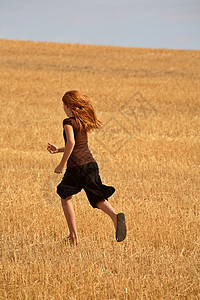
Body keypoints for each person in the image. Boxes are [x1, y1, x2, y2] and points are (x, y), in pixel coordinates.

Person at [47, 90, 126, 245]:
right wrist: (58, 149)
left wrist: (61, 164)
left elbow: (72, 143)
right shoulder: (82, 121)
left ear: (67, 105)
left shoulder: (68, 122)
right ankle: (115, 217)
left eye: (63, 104)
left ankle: (73, 237)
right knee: (97, 197)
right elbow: (79, 145)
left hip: (76, 166)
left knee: (64, 195)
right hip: (90, 164)